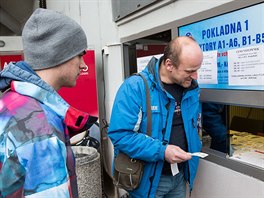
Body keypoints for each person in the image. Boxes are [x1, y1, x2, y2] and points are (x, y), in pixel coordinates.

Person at [0, 8, 97, 197]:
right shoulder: (39, 125)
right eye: (80, 54)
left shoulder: (10, 101)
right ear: (59, 54)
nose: (84, 64)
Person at [108, 36, 203, 198]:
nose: (195, 76)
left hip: (179, 176)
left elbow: (193, 126)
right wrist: (163, 151)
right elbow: (120, 135)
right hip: (148, 180)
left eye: (197, 69)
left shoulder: (191, 89)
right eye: (189, 71)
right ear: (169, 65)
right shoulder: (135, 87)